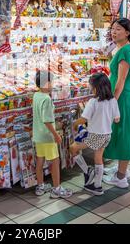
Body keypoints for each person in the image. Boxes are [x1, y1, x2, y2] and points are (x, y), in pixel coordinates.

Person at [102, 18, 130, 189]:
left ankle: (120, 177)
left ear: (127, 33)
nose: (114, 31)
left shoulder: (125, 51)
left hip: (123, 98)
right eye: (112, 29)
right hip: (125, 97)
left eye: (118, 29)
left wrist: (113, 102)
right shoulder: (123, 48)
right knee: (121, 132)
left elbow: (121, 80)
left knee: (124, 133)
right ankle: (121, 169)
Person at [70, 73, 120, 195]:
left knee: (73, 148)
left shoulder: (93, 102)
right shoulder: (113, 100)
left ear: (96, 88)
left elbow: (83, 119)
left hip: (94, 135)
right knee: (98, 158)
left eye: (91, 87)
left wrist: (74, 124)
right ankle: (97, 186)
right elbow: (117, 119)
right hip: (107, 135)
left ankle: (87, 171)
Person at [32, 70, 72, 199]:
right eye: (51, 81)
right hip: (48, 136)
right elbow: (47, 121)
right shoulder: (47, 99)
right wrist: (56, 135)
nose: (52, 84)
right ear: (46, 83)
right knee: (55, 161)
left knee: (40, 160)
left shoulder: (36, 95)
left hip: (38, 135)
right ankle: (57, 188)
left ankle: (40, 186)